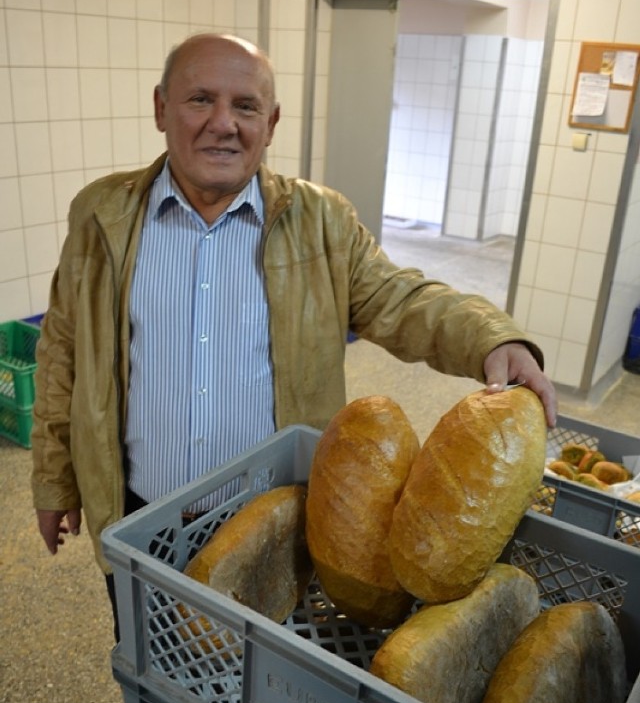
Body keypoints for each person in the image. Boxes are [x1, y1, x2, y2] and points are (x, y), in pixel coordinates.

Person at [31, 33, 557, 640]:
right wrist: (53, 480)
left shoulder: (322, 221)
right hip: (142, 513)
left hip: (281, 521)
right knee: (152, 678)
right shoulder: (102, 215)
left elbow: (401, 298)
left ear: (272, 122)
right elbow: (63, 352)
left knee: (267, 693)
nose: (223, 124)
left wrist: (493, 340)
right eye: (200, 99)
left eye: (246, 106)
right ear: (160, 109)